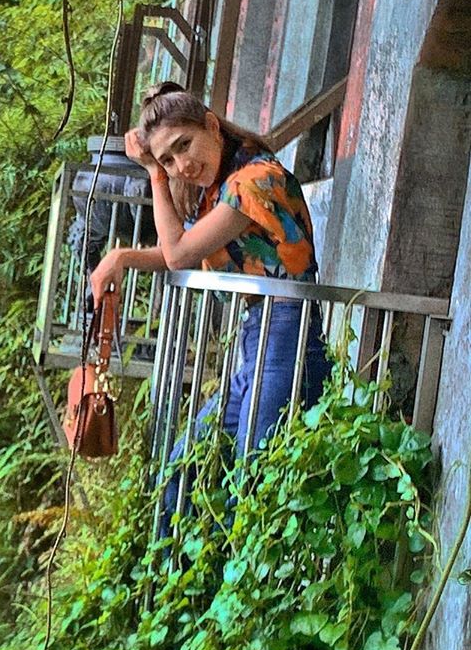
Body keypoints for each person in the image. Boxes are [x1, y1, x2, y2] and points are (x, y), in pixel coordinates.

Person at [89, 82, 330, 532]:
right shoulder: (222, 192)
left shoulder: (254, 181)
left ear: (212, 126)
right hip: (257, 338)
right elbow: (183, 250)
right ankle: (180, 591)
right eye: (168, 159)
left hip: (287, 334)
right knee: (180, 475)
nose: (183, 165)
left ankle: (252, 593)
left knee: (253, 482)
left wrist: (155, 176)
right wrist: (119, 257)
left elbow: (179, 253)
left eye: (185, 145)